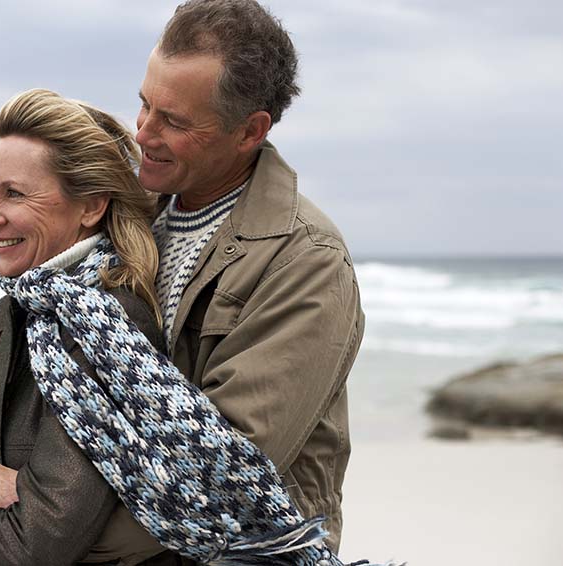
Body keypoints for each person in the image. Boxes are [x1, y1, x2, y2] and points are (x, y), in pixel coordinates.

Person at [0, 88, 179, 565]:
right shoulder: (13, 313)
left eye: (14, 193)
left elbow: (38, 541)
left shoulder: (107, 326)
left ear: (91, 205)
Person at [136, 0, 365, 553]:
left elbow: (222, 474)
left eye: (174, 121)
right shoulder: (126, 218)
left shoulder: (307, 261)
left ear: (250, 131)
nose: (143, 133)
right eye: (143, 104)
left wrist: (39, 532)